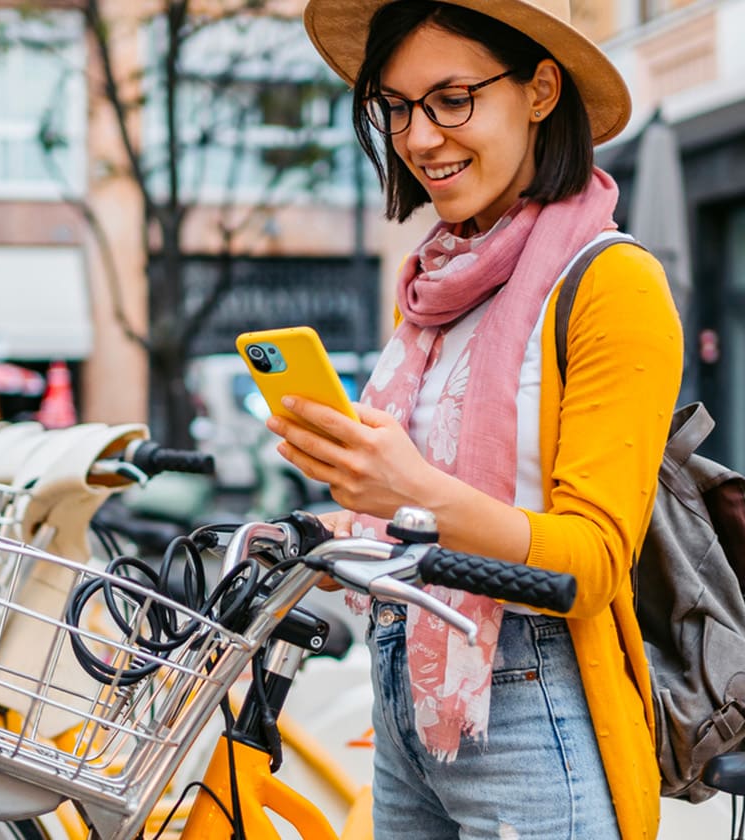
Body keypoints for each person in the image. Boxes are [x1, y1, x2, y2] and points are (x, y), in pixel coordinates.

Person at [274, 1, 681, 837]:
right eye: (396, 106)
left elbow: (596, 563)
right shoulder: (436, 291)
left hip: (531, 703)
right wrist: (321, 529)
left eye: (452, 98)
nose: (420, 138)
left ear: (539, 89)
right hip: (405, 687)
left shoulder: (613, 284)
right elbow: (408, 525)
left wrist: (409, 491)